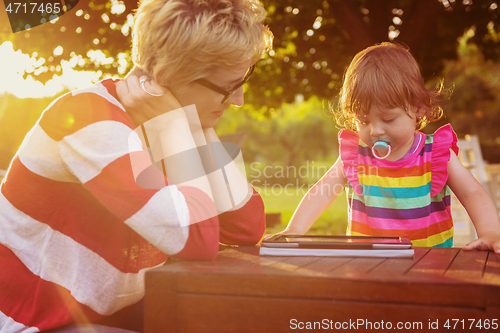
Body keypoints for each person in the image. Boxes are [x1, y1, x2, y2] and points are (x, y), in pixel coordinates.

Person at [0, 0, 273, 332]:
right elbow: (196, 239)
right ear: (167, 77)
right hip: (32, 323)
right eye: (228, 86)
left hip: (111, 315)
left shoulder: (167, 122)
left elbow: (246, 226)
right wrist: (173, 128)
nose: (239, 99)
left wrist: (191, 127)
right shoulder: (88, 118)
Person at [279, 42, 500, 253]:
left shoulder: (435, 154)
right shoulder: (356, 156)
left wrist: (490, 232)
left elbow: (472, 192)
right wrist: (295, 230)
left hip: (430, 265)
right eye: (363, 121)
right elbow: (322, 192)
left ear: (419, 110)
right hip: (367, 264)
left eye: (388, 119)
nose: (374, 131)